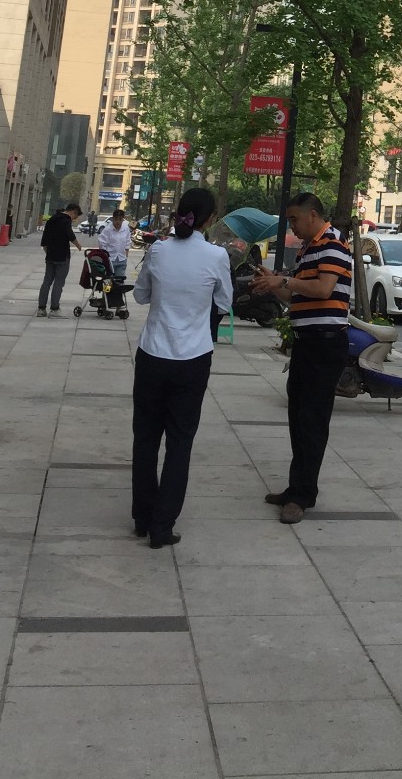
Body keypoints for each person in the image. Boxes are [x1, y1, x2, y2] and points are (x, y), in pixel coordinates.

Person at [130, 187, 232, 548]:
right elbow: (225, 301)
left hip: (153, 354)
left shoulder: (158, 250)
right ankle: (162, 526)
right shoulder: (217, 256)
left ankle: (142, 517)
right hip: (193, 359)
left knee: (145, 438)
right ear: (210, 219)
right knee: (180, 442)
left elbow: (140, 295)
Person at [252, 193, 352, 525]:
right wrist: (272, 283)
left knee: (312, 421)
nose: (292, 226)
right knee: (298, 417)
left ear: (312, 215)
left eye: (294, 219)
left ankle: (303, 496)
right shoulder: (309, 248)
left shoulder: (333, 243)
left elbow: (323, 289)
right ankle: (297, 486)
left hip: (325, 345)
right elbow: (294, 295)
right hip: (306, 343)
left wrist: (284, 279)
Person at [36, 203, 82, 315]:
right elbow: (70, 235)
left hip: (50, 255)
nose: (74, 219)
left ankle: (41, 308)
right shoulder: (66, 220)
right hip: (62, 256)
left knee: (47, 281)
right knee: (58, 283)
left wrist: (48, 252)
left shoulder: (52, 219)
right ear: (73, 212)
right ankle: (54, 308)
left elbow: (44, 240)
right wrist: (78, 245)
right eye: (75, 217)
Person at [97, 208, 133, 277]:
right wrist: (105, 257)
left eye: (120, 219)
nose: (118, 222)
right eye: (116, 219)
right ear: (113, 219)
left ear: (123, 219)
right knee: (110, 280)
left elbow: (127, 243)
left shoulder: (125, 229)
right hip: (110, 259)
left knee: (120, 280)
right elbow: (102, 244)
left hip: (122, 259)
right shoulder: (108, 229)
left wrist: (126, 257)